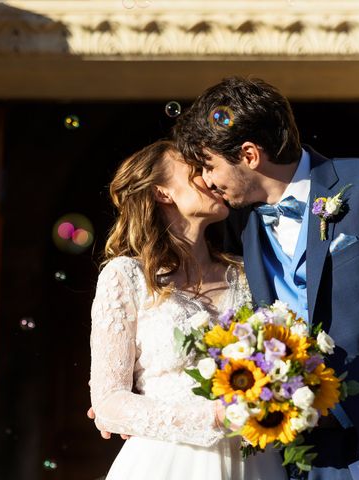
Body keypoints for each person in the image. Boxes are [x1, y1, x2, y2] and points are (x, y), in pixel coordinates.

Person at [170, 77, 359, 480]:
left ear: (249, 154)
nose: (207, 181)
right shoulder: (238, 225)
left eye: (210, 165)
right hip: (308, 460)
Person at [88, 140, 287, 480]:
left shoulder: (248, 272)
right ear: (162, 192)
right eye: (197, 172)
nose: (211, 179)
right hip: (165, 463)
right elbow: (107, 404)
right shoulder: (126, 276)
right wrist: (214, 416)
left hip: (255, 462)